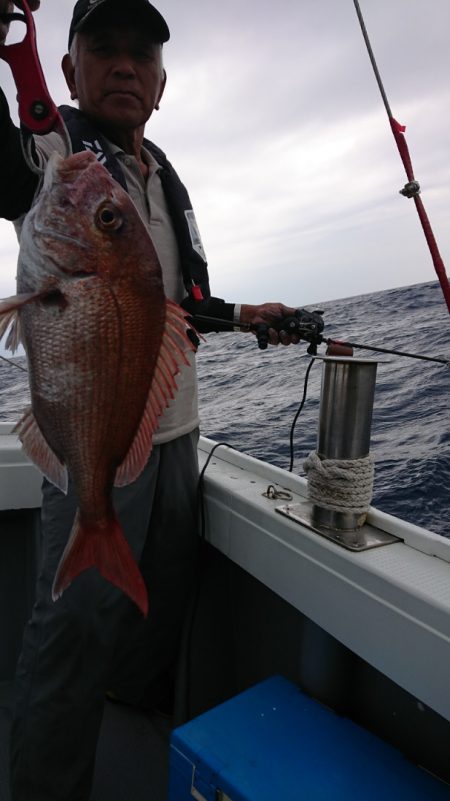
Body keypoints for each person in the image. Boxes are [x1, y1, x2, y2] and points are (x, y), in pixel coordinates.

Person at [0, 1, 302, 799]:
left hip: (177, 438)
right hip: (95, 439)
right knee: (69, 635)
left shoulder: (159, 172)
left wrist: (240, 315)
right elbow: (5, 171)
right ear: (70, 69)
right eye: (104, 47)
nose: (125, 65)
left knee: (152, 622)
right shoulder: (55, 150)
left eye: (143, 54)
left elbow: (172, 299)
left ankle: (136, 749)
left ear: (163, 83)